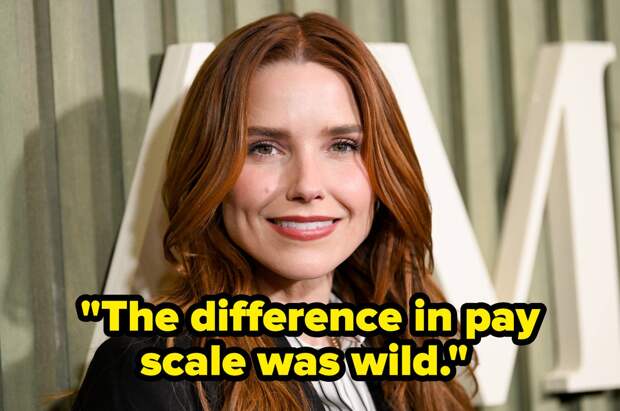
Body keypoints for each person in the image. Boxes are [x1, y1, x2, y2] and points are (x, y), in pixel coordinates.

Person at [72, 11, 477, 411]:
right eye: (264, 148)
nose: (307, 186)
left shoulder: (410, 343)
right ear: (210, 171)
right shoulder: (152, 374)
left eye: (342, 146)